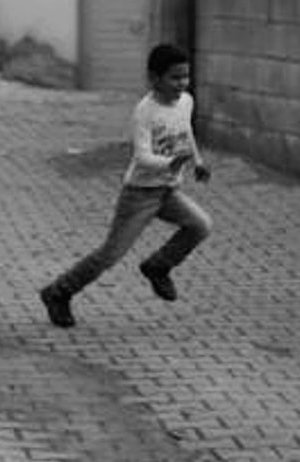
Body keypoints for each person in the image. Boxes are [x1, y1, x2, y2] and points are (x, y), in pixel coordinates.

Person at [39, 44, 212, 328]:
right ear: (154, 78)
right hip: (140, 195)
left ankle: (158, 266)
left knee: (200, 225)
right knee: (110, 254)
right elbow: (142, 156)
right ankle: (58, 292)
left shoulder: (186, 102)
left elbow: (186, 132)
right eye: (174, 78)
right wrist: (170, 164)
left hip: (168, 191)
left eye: (185, 77)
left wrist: (198, 161)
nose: (182, 83)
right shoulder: (145, 111)